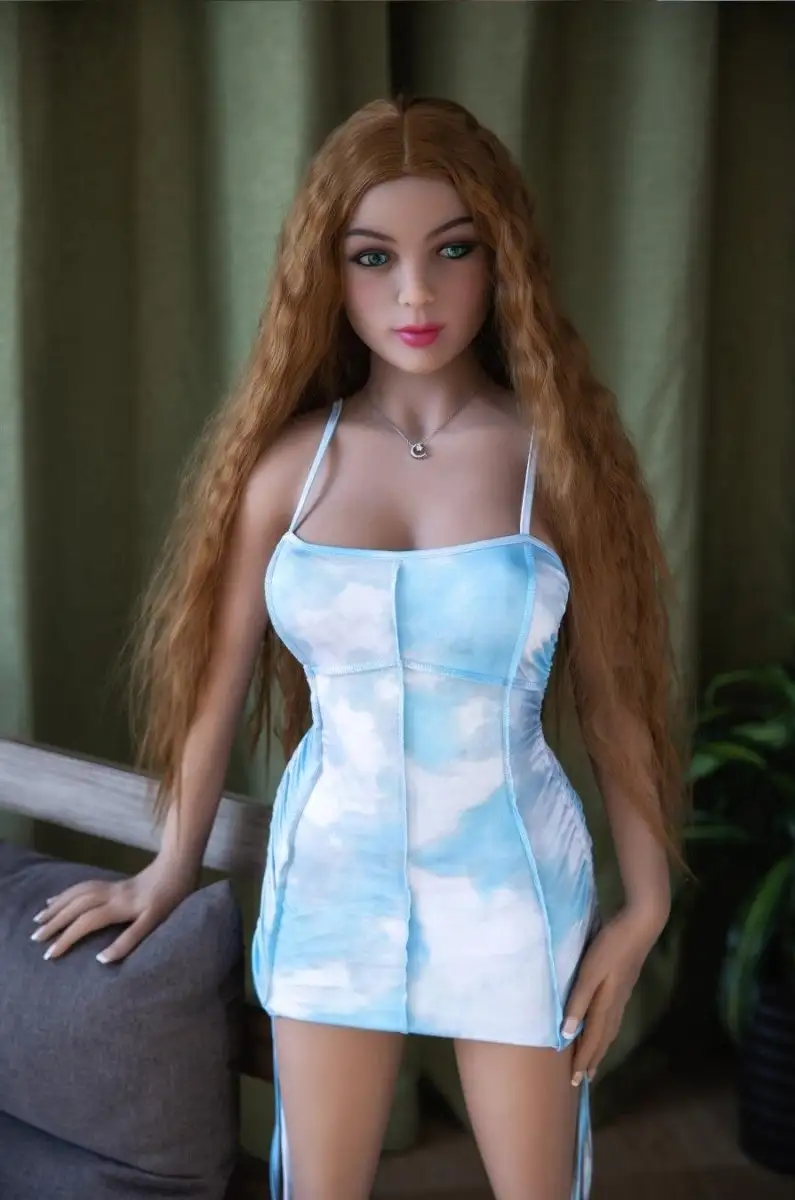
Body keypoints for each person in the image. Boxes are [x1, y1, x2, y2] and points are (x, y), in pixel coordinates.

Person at [31, 97, 685, 1200]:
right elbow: (211, 690)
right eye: (373, 257)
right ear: (325, 274)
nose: (414, 294)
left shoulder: (555, 464)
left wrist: (646, 906)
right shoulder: (285, 469)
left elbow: (615, 699)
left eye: (453, 250)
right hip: (331, 880)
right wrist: (169, 867)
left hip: (511, 886)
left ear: (503, 260)